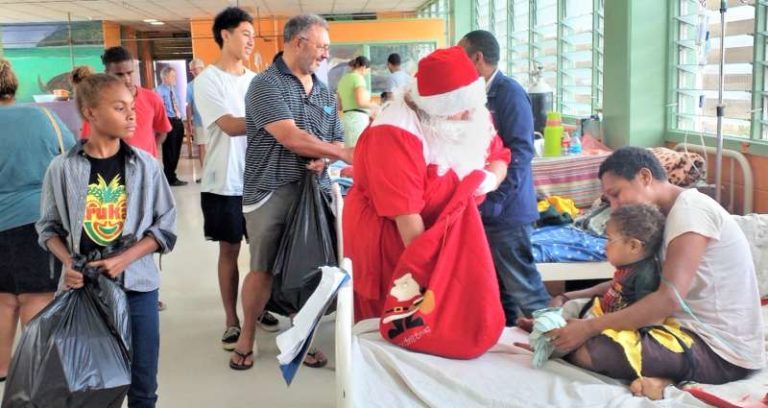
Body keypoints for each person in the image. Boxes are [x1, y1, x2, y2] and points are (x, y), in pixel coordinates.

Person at [547, 147, 765, 400]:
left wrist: (586, 329)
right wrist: (567, 299)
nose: (615, 207)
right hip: (677, 329)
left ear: (645, 177)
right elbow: (628, 281)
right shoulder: (661, 218)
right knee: (580, 314)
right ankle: (665, 376)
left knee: (594, 350)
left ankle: (669, 378)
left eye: (616, 195)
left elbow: (667, 299)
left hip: (721, 351)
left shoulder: (692, 212)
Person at [37, 73, 177, 407]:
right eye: (119, 108)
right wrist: (68, 262)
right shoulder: (62, 168)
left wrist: (125, 258)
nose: (132, 116)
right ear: (90, 113)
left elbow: (167, 225)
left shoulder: (146, 166)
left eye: (132, 107)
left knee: (143, 386)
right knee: (91, 385)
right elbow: (48, 228)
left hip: (138, 290)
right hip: (84, 292)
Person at [344, 45, 511, 322]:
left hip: (441, 236)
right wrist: (440, 278)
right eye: (461, 110)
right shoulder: (394, 132)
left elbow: (500, 156)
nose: (470, 115)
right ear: (437, 109)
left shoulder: (470, 111)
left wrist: (490, 179)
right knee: (402, 319)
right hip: (393, 241)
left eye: (472, 106)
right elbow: (408, 223)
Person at [234, 13, 353, 371]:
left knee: (308, 268)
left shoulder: (323, 90)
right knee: (263, 268)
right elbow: (289, 136)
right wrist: (340, 154)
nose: (324, 55)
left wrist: (328, 158)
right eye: (321, 47)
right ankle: (247, 336)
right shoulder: (266, 85)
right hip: (270, 191)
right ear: (298, 42)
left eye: (327, 48)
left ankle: (300, 337)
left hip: (314, 192)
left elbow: (335, 135)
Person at [194, 7, 279, 352]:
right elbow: (229, 126)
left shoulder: (256, 80)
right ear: (224, 35)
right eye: (245, 33)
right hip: (223, 181)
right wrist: (276, 121)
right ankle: (232, 320)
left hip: (259, 179)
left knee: (263, 254)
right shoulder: (206, 81)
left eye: (252, 35)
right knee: (229, 251)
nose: (250, 40)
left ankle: (259, 309)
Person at [459, 30, 550, 326]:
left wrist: (497, 199)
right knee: (498, 289)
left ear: (477, 57)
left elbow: (521, 152)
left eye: (461, 56)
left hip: (508, 210)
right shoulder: (475, 94)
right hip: (486, 207)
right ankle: (504, 340)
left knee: (525, 288)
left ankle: (559, 345)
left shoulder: (508, 93)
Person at [0, 58, 76, 382]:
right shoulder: (44, 117)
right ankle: (35, 376)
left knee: (3, 300)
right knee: (37, 297)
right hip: (36, 221)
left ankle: (3, 369)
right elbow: (73, 161)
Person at [82, 46, 171, 161]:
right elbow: (88, 143)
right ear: (107, 73)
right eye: (119, 75)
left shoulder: (152, 98)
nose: (127, 79)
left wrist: (148, 154)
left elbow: (162, 130)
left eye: (129, 73)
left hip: (144, 169)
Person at [155, 66, 187, 186]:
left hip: (178, 121)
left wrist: (182, 120)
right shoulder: (158, 91)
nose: (175, 78)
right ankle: (169, 177)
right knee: (170, 151)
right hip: (168, 121)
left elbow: (177, 105)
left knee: (177, 151)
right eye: (173, 76)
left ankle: (172, 175)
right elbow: (159, 110)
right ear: (165, 77)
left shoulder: (173, 90)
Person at [336, 55, 377, 147]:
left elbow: (339, 106)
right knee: (359, 153)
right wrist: (374, 105)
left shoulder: (342, 80)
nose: (366, 74)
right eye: (367, 71)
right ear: (363, 67)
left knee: (349, 156)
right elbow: (361, 102)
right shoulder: (358, 78)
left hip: (346, 120)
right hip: (358, 120)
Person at [185, 58, 206, 172]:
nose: (192, 72)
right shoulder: (190, 86)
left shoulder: (212, 83)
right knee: (202, 147)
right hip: (199, 122)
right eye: (191, 70)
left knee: (214, 149)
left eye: (194, 69)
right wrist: (189, 123)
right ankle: (206, 175)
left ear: (202, 69)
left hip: (214, 121)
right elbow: (188, 106)